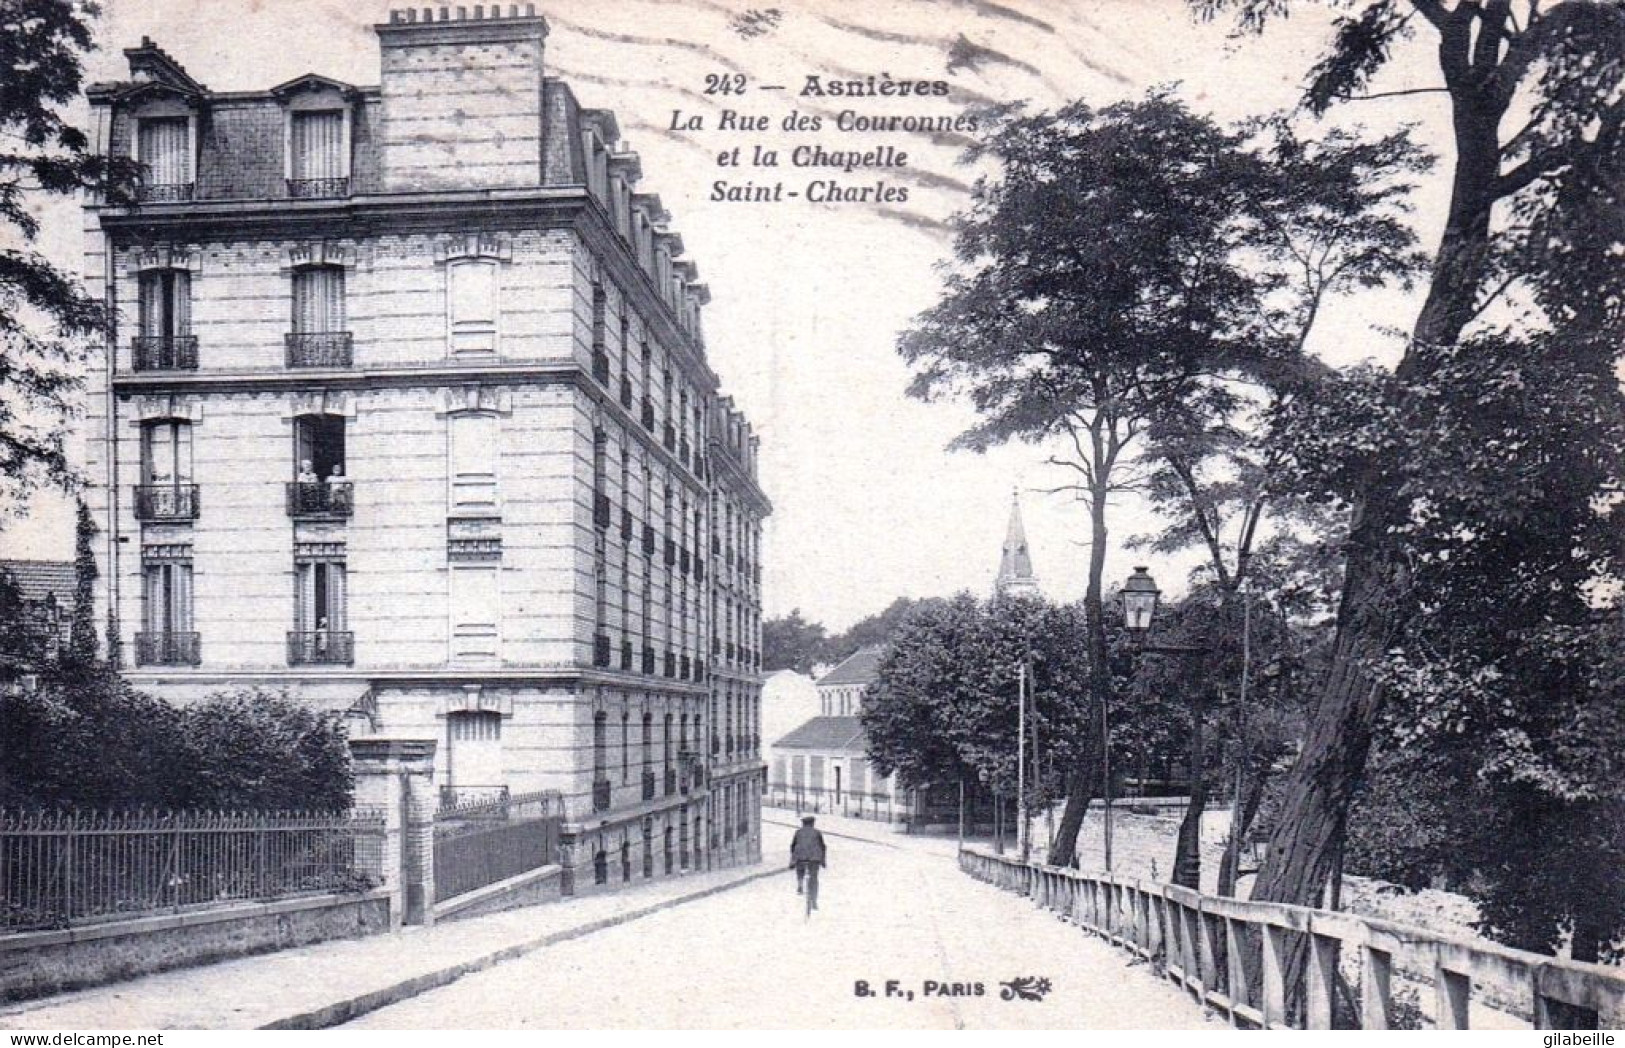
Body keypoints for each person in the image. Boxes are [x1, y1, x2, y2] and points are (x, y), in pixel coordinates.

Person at [789, 815, 827, 910]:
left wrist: (792, 861)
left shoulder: (798, 832)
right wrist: (823, 861)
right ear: (813, 824)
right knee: (814, 879)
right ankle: (814, 901)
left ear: (803, 824)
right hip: (814, 859)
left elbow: (793, 846)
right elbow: (823, 847)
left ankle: (800, 883)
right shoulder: (817, 833)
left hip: (801, 858)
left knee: (800, 869)